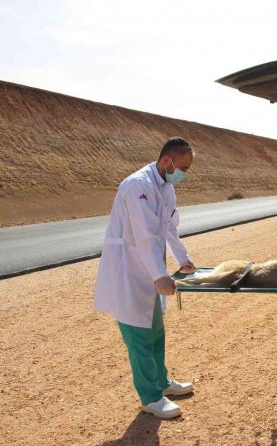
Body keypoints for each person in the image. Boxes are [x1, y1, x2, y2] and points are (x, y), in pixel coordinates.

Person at [94, 137, 197, 418]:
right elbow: (145, 236)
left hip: (148, 268)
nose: (184, 174)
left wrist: (182, 259)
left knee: (155, 331)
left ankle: (161, 383)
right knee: (139, 335)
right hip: (128, 269)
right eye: (183, 168)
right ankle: (150, 397)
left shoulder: (166, 186)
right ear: (167, 161)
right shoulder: (139, 185)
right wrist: (160, 275)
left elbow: (169, 228)